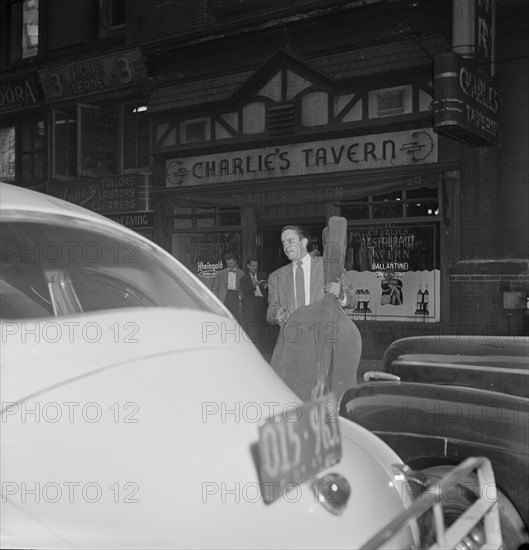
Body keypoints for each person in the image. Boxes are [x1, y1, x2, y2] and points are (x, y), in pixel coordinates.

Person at [266, 225, 355, 326]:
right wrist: (277, 314)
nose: (286, 246)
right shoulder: (275, 277)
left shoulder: (329, 266)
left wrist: (342, 294)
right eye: (283, 243)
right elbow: (270, 314)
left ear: (303, 242)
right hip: (292, 337)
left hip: (324, 336)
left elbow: (352, 300)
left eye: (290, 241)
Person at [240, 258, 268, 351]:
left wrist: (266, 286)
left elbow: (269, 289)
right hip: (251, 305)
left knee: (262, 326)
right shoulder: (244, 279)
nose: (255, 268)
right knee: (252, 326)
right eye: (253, 266)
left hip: (262, 304)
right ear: (248, 266)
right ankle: (254, 348)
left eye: (256, 266)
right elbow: (245, 292)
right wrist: (253, 285)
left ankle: (264, 349)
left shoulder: (263, 275)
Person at [212, 253, 244, 321]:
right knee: (224, 317)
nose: (230, 265)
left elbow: (243, 288)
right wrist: (217, 300)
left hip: (236, 295)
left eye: (231, 263)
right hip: (225, 296)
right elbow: (215, 288)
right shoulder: (220, 273)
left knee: (236, 317)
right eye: (228, 263)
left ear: (235, 261)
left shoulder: (241, 273)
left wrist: (241, 298)